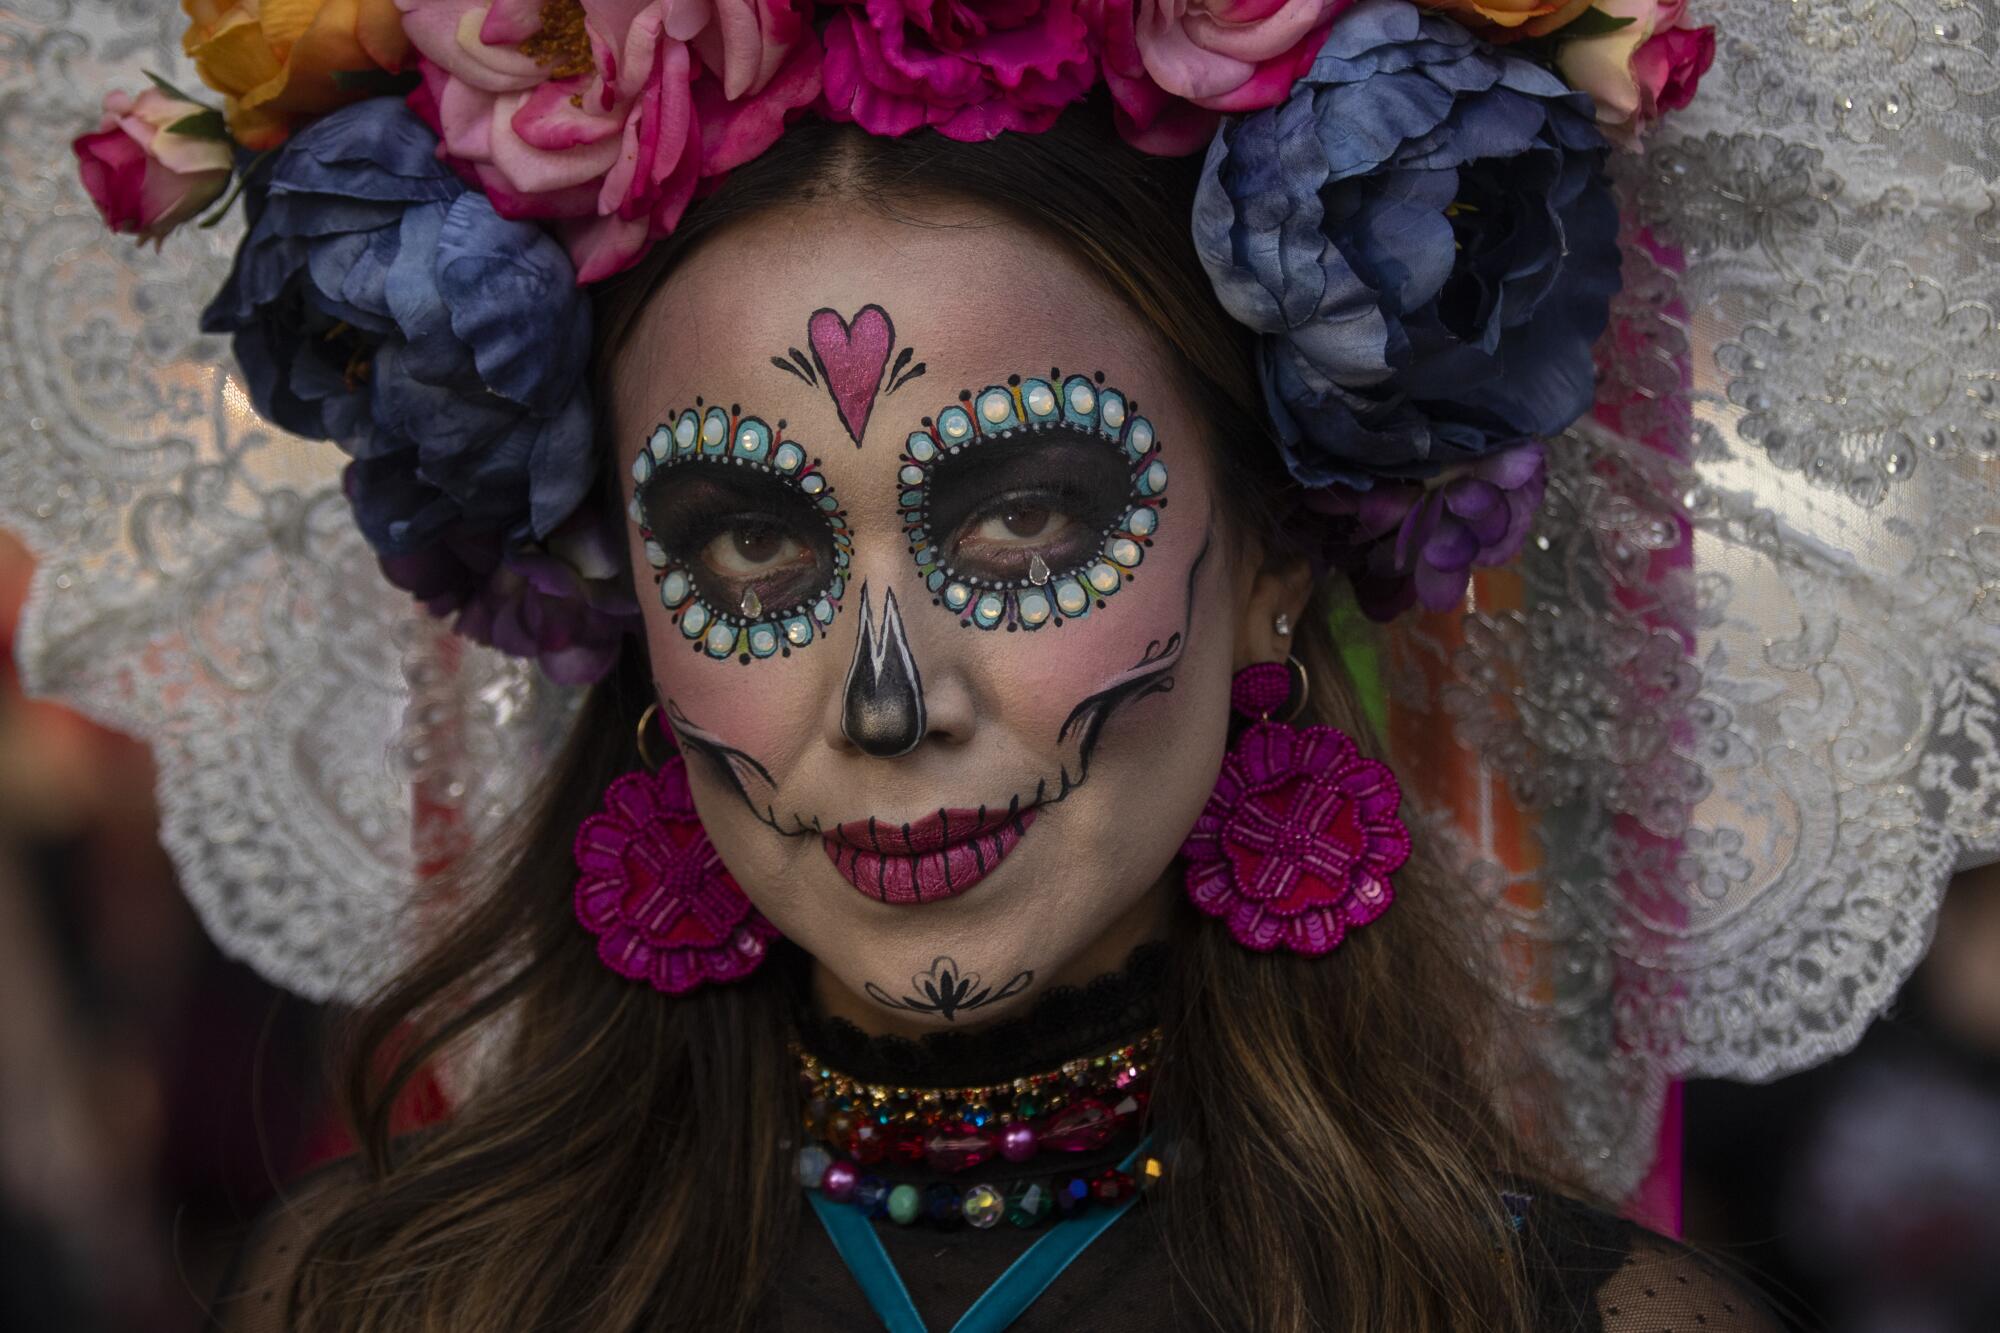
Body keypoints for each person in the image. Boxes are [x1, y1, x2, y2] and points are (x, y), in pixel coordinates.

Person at [44, 0, 1886, 1329]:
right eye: (751, 540)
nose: (891, 695)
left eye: (1020, 520)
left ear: (1267, 558)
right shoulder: (392, 1303)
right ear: (628, 597)